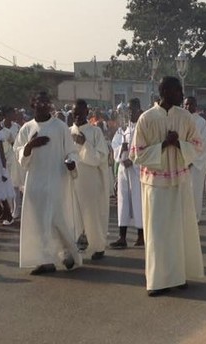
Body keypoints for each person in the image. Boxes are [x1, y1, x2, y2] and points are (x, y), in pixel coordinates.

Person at [130, 76, 204, 297]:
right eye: (178, 90)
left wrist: (179, 143)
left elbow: (198, 145)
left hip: (179, 181)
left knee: (179, 230)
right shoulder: (146, 118)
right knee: (158, 233)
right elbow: (136, 153)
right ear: (165, 91)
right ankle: (158, 280)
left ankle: (179, 276)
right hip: (155, 184)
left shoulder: (185, 117)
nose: (182, 94)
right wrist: (164, 144)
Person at [14, 92, 81, 275]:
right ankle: (46, 260)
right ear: (33, 103)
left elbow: (71, 151)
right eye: (40, 101)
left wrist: (71, 162)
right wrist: (30, 146)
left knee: (56, 219)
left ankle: (68, 254)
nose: (44, 105)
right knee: (39, 221)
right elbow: (19, 152)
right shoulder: (27, 128)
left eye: (46, 102)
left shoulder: (60, 127)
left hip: (56, 179)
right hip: (35, 181)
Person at [70, 99, 110, 260]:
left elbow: (100, 158)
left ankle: (97, 246)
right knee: (72, 213)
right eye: (74, 113)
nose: (77, 116)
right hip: (71, 179)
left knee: (92, 214)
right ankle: (74, 246)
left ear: (87, 112)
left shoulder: (95, 132)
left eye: (80, 113)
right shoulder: (67, 132)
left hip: (90, 180)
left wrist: (84, 143)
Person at [110, 98, 144, 248]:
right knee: (123, 202)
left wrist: (134, 160)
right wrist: (121, 150)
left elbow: (146, 148)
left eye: (133, 109)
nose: (130, 113)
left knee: (138, 202)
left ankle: (141, 235)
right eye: (128, 110)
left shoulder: (143, 128)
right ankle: (122, 237)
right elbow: (115, 144)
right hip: (124, 170)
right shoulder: (123, 129)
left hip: (137, 171)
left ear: (139, 110)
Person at [184, 96, 206, 221]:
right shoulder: (180, 120)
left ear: (196, 106)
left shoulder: (201, 122)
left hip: (195, 164)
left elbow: (203, 143)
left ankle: (194, 218)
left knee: (194, 191)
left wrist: (191, 160)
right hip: (181, 163)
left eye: (191, 104)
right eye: (186, 104)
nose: (188, 107)